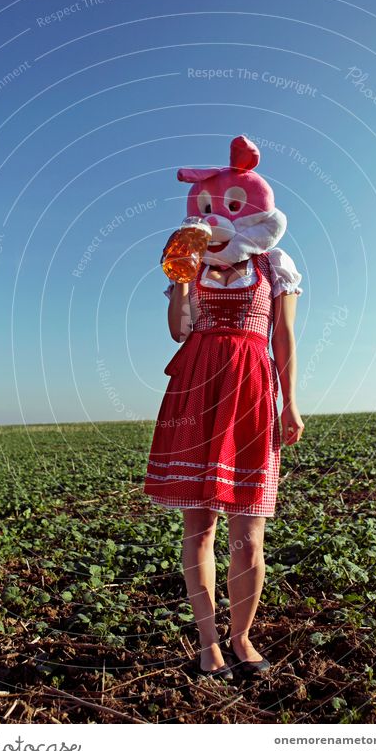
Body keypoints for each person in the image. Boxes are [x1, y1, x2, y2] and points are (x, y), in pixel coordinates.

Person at [143, 136, 305, 680]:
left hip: (254, 390)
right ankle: (208, 643)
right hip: (197, 390)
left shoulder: (274, 266)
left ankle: (242, 638)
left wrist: (292, 405)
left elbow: (282, 339)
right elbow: (178, 333)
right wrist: (177, 288)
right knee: (200, 527)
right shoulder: (192, 267)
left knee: (249, 533)